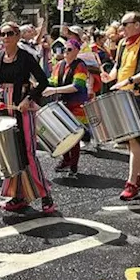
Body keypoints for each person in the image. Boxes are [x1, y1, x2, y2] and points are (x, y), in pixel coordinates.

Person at [0, 22, 55, 213]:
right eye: (3, 34)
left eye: (10, 34)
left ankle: (45, 196)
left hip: (22, 109)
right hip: (3, 110)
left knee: (28, 153)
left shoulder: (26, 57)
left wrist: (28, 98)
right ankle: (18, 196)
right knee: (10, 153)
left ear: (17, 36)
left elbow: (43, 81)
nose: (6, 37)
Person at [103, 12, 140, 201]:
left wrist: (129, 80)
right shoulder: (122, 43)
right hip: (123, 94)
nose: (121, 28)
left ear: (137, 24)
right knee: (130, 141)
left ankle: (131, 184)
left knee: (135, 140)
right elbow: (118, 67)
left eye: (125, 24)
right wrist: (110, 77)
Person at [43, 37, 89, 178]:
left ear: (76, 51)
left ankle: (73, 166)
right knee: (62, 135)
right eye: (64, 49)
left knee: (74, 138)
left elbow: (77, 86)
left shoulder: (80, 65)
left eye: (69, 49)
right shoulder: (59, 65)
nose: (66, 52)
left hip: (76, 106)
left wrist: (54, 90)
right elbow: (53, 81)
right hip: (62, 105)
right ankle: (66, 160)